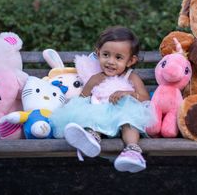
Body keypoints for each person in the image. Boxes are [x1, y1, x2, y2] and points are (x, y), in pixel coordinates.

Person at [49, 26, 155, 173]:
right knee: (90, 114)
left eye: (118, 58)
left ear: (131, 61)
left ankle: (132, 150)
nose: (110, 61)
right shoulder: (96, 78)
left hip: (122, 115)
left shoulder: (131, 77)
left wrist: (128, 94)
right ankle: (91, 139)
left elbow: (144, 98)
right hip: (101, 117)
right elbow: (82, 99)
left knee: (129, 119)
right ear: (98, 53)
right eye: (106, 55)